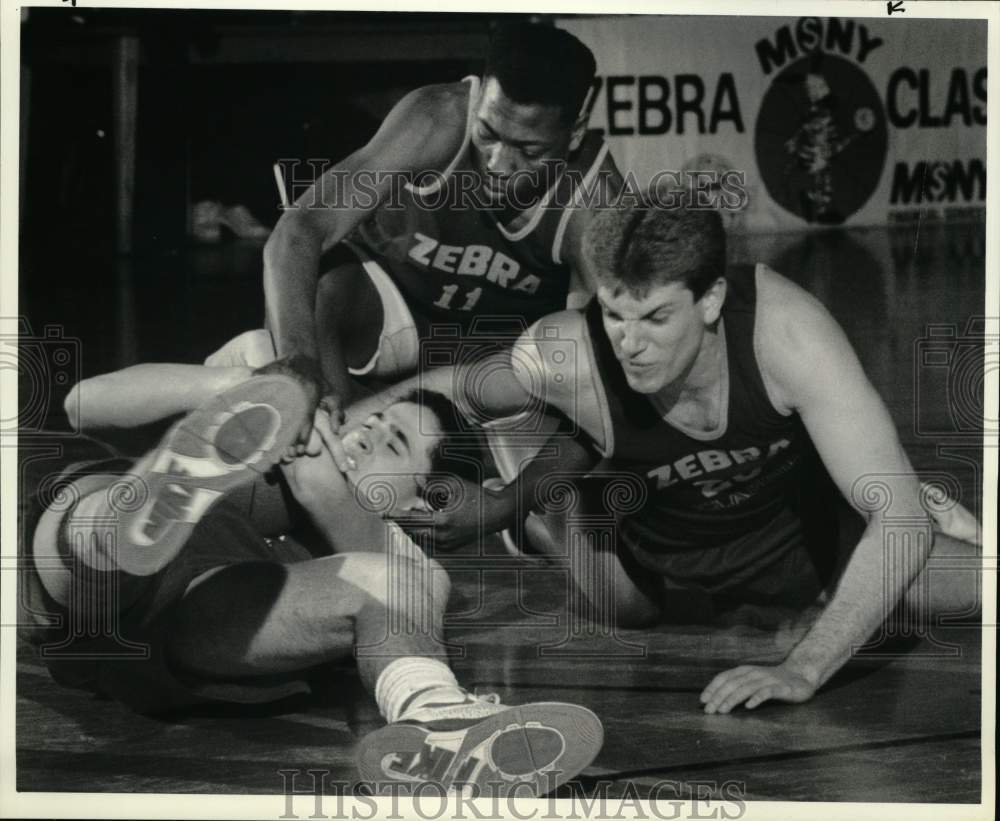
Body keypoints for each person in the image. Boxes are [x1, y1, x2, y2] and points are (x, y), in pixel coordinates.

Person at [369, 202, 983, 713]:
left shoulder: (787, 332)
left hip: (798, 544)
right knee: (624, 610)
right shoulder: (565, 352)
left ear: (711, 298)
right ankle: (539, 514)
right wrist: (320, 414)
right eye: (613, 313)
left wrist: (805, 668)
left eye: (657, 316)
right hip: (645, 547)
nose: (630, 343)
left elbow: (898, 517)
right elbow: (453, 385)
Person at [18, 361, 604, 796]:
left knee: (392, 586)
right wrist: (232, 387)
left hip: (194, 617)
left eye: (390, 443)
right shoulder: (268, 434)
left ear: (422, 505)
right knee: (107, 526)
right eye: (370, 422)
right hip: (73, 536)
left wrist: (308, 435)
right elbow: (82, 402)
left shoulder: (405, 558)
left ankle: (441, 728)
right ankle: (130, 518)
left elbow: (336, 502)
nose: (362, 435)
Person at [211, 22, 621, 451]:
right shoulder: (436, 116)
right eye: (487, 134)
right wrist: (296, 360)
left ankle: (370, 434)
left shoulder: (595, 199)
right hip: (397, 309)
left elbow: (609, 361)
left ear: (573, 134)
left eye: (529, 150)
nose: (499, 163)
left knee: (573, 352)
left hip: (496, 352)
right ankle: (327, 427)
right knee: (318, 291)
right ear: (479, 98)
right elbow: (299, 229)